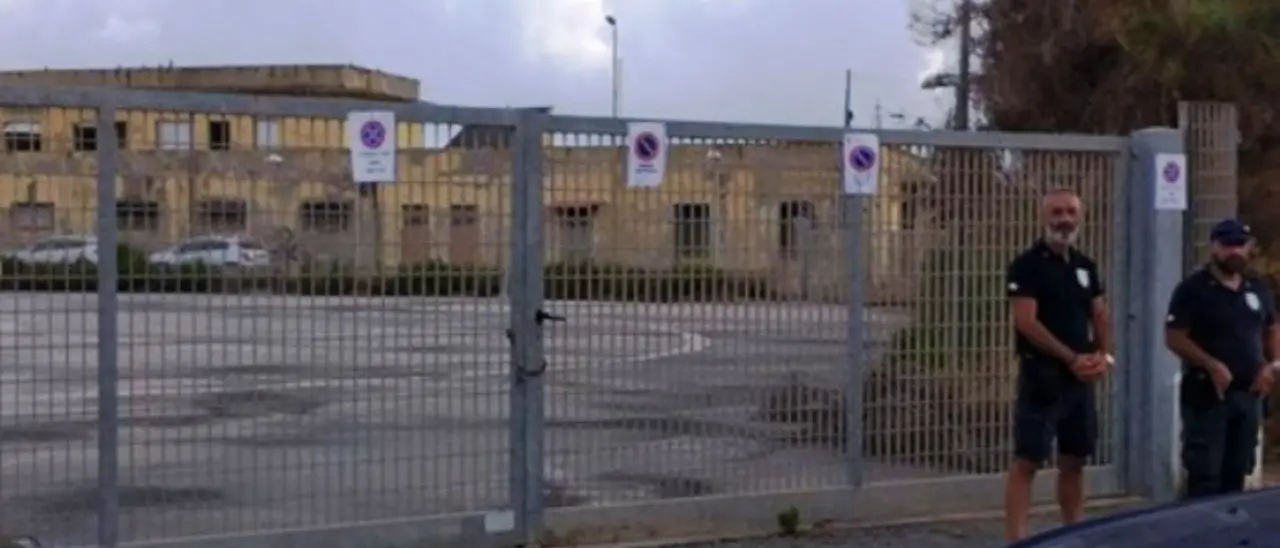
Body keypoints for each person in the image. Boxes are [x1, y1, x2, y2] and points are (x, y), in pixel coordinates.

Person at [1003, 187, 1112, 542]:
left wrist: (1103, 355)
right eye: (1057, 212)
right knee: (1027, 461)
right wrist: (1071, 357)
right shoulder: (1026, 265)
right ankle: (1018, 538)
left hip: (1079, 382)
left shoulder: (1085, 266)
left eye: (1070, 212)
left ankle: (1074, 533)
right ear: (1043, 217)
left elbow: (1099, 314)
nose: (1064, 219)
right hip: (1043, 377)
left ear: (1080, 217)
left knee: (1074, 460)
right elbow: (1026, 322)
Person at [1164, 219, 1279, 499]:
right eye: (1228, 246)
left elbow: (1272, 328)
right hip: (1208, 396)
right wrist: (1209, 362)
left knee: (1237, 472)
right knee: (1205, 475)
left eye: (1240, 245)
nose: (1235, 252)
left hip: (1248, 394)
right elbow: (1174, 336)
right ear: (1214, 247)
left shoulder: (1256, 287)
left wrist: (1272, 365)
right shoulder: (1193, 289)